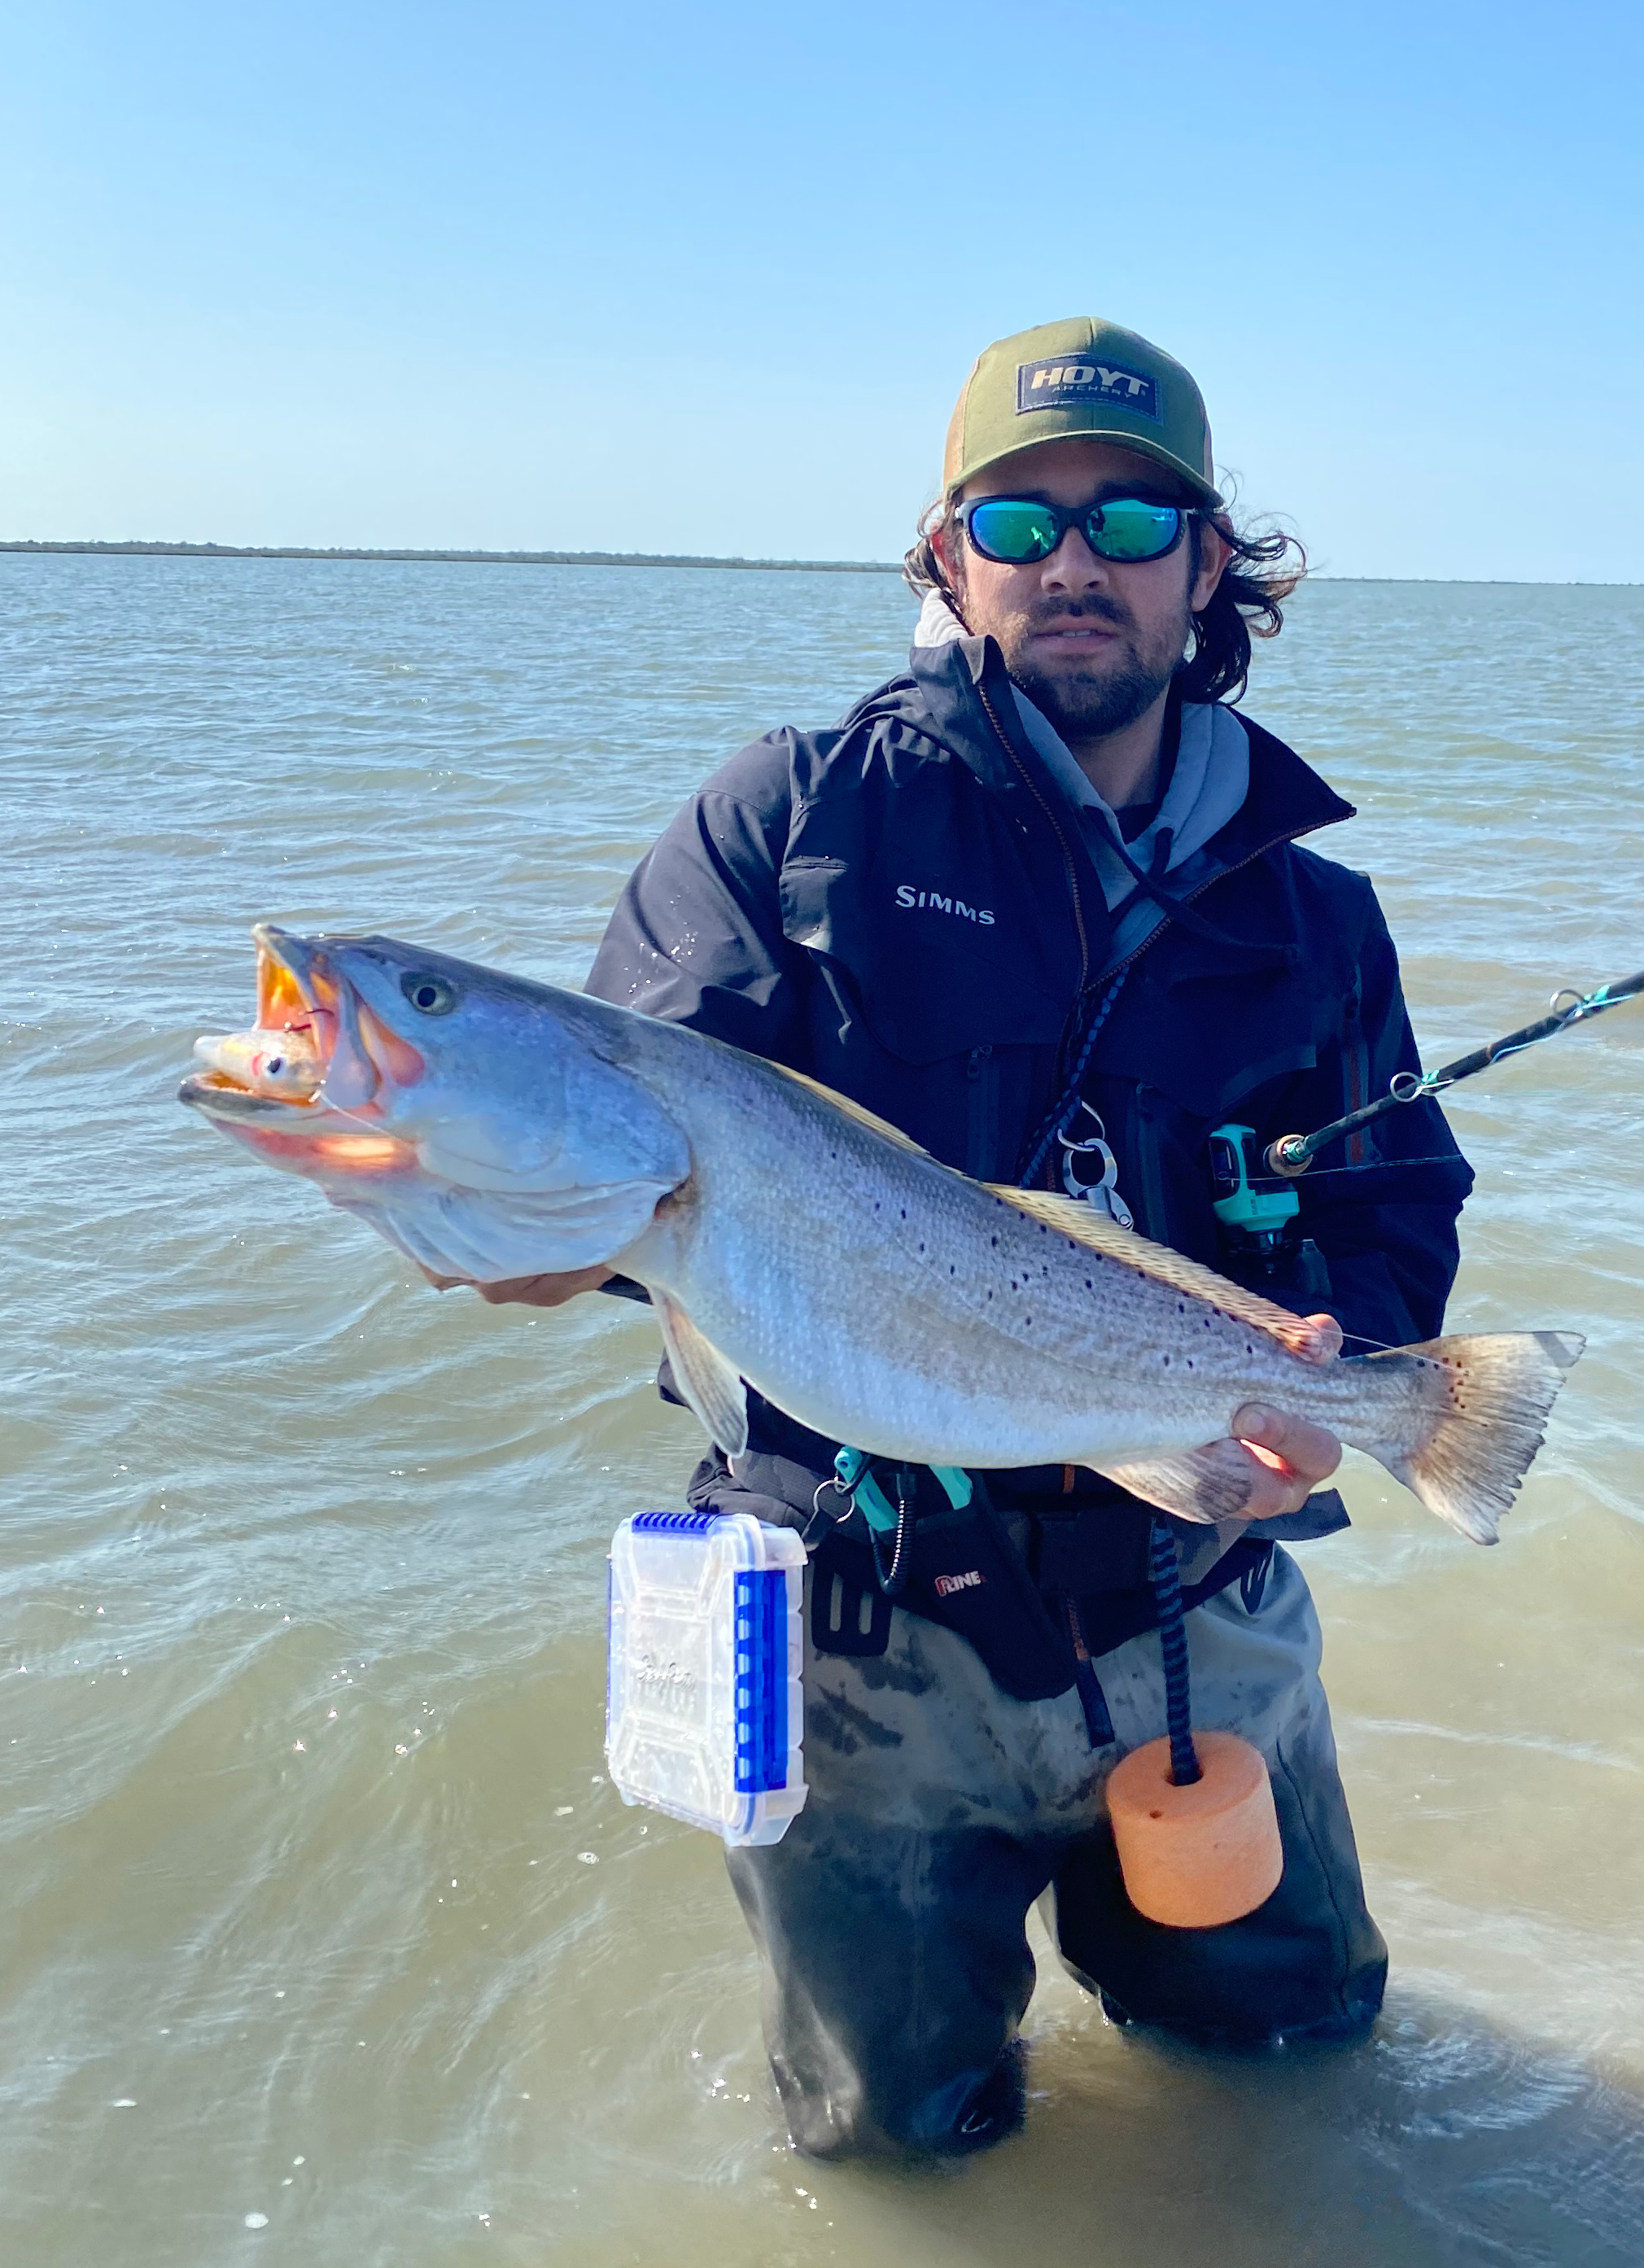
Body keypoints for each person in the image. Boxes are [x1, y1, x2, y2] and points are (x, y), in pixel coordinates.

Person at [474, 318, 1474, 2158]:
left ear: (1206, 563)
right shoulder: (782, 824)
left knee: (1302, 2076)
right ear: (944, 559)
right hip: (856, 1644)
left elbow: (1396, 1202)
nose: (1072, 562)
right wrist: (538, 1238)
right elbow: (631, 1165)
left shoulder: (1317, 914)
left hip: (1197, 1610)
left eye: (1130, 519)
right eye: (1017, 524)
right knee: (892, 2149)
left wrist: (1337, 1377)